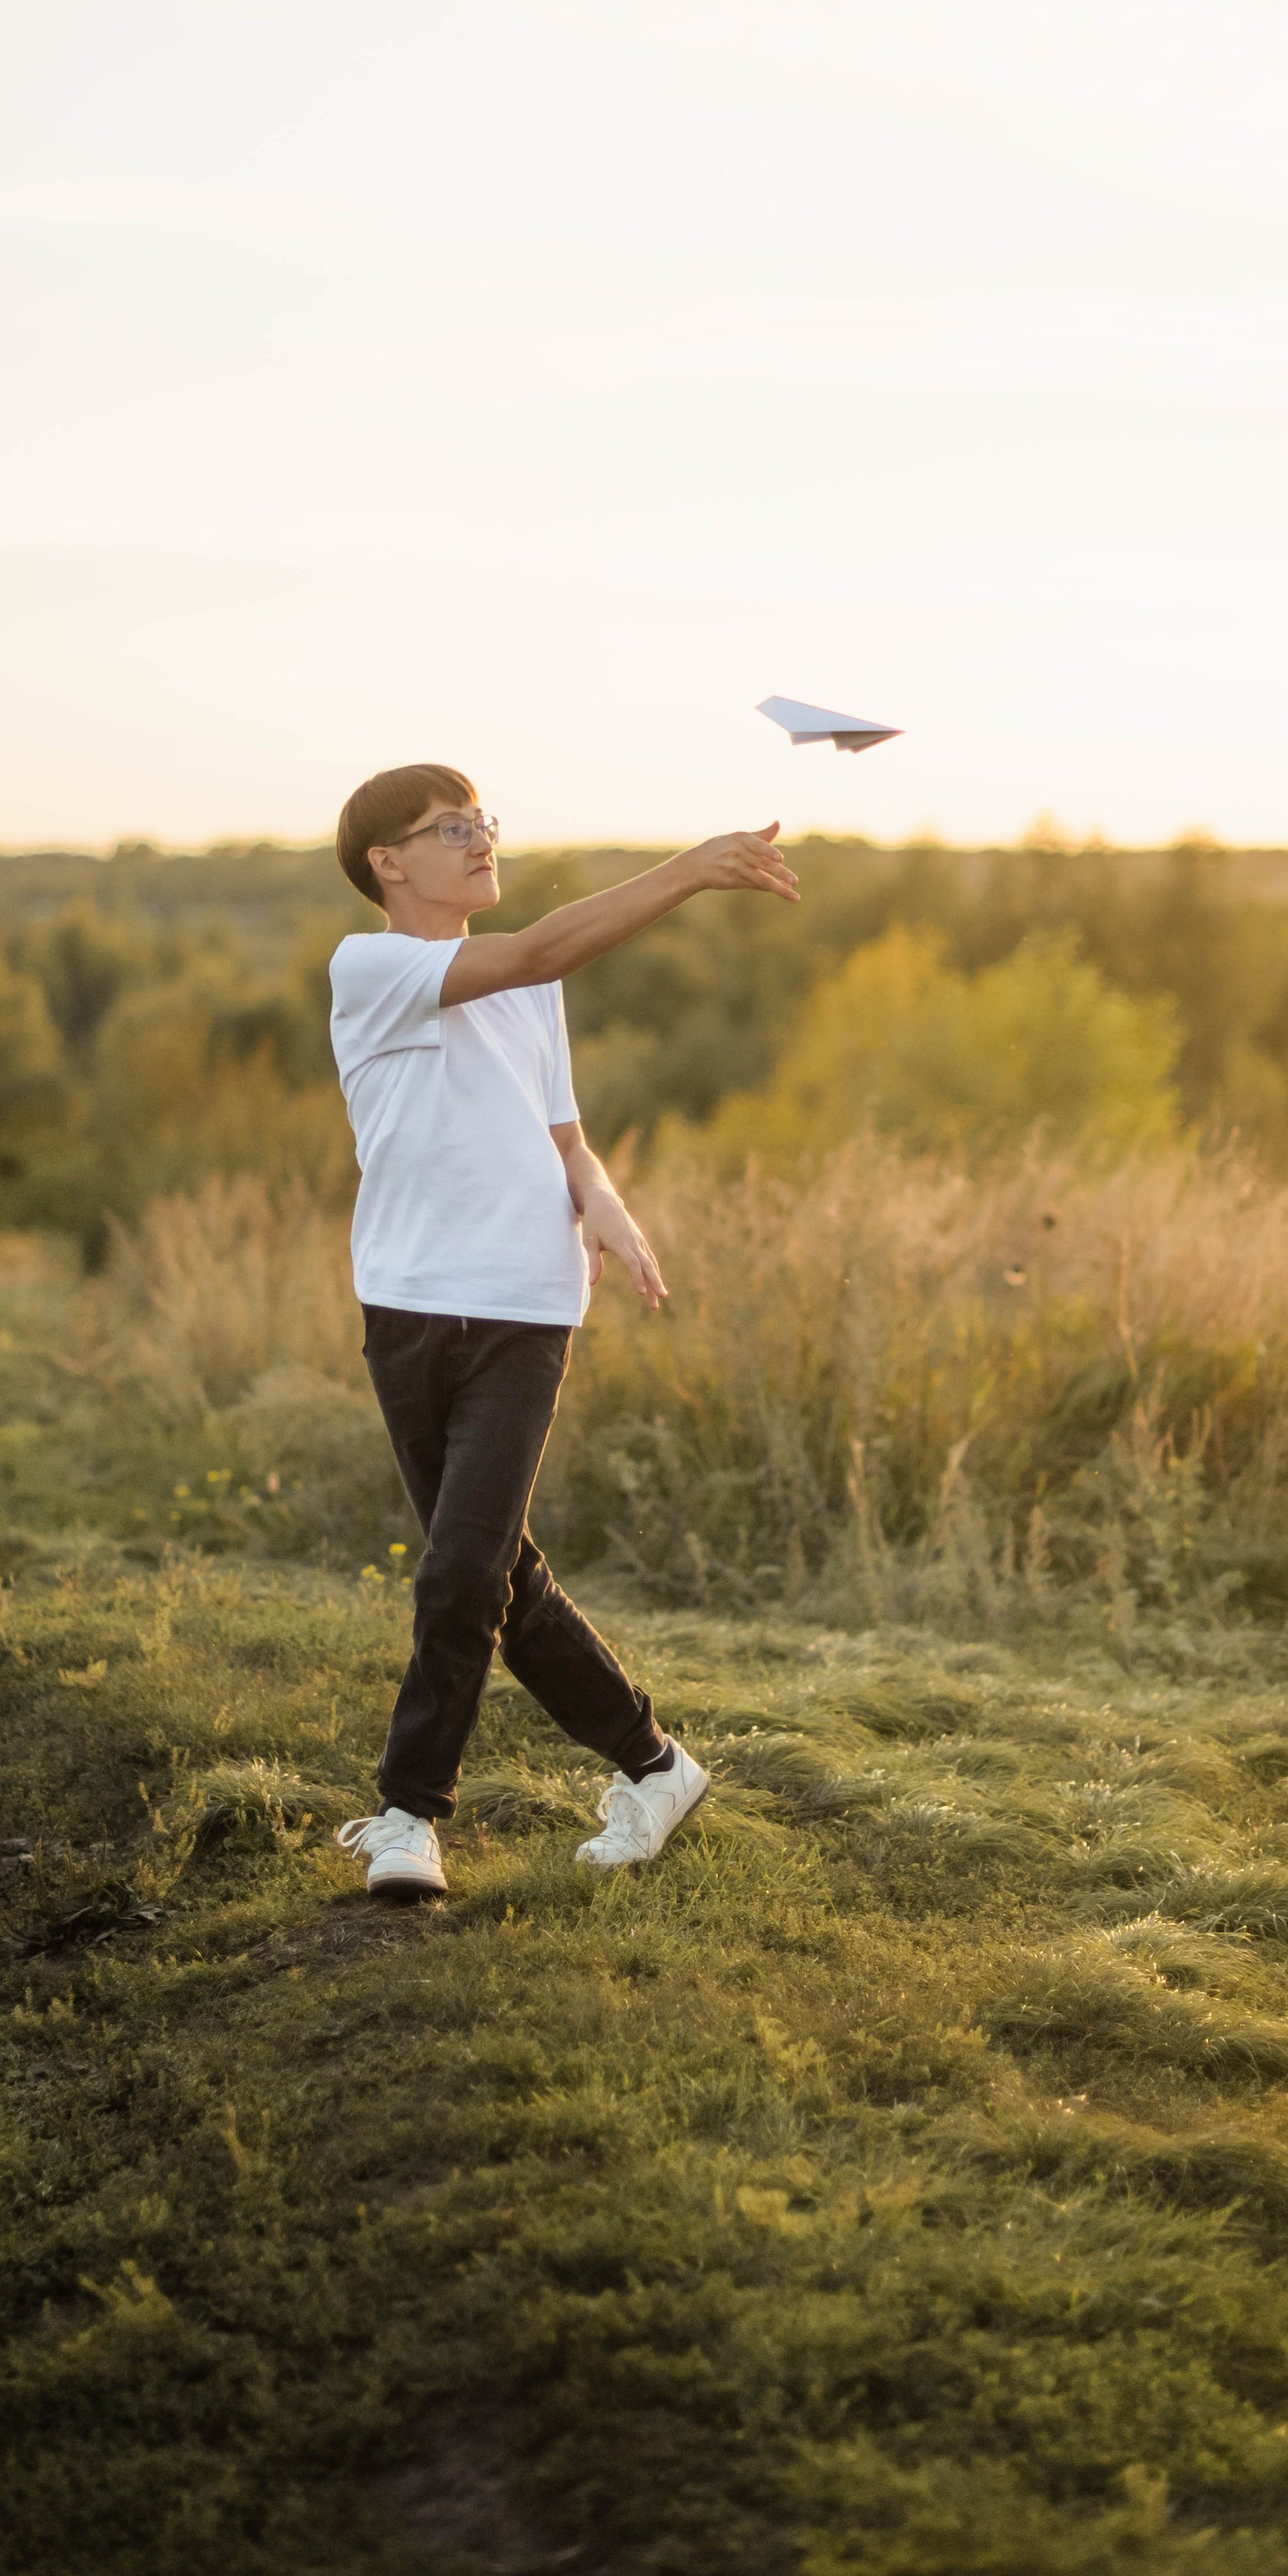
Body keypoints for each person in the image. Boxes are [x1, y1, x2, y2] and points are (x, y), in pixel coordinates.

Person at [327, 762, 801, 1900]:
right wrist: (689, 871)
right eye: (453, 830)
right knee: (495, 1573)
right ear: (389, 864)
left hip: (526, 1303)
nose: (482, 840)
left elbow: (561, 1131)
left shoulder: (529, 989)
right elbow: (537, 949)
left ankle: (406, 1817)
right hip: (403, 1299)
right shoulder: (373, 966)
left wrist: (604, 1198)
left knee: (458, 1575)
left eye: (485, 822)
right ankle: (654, 1765)